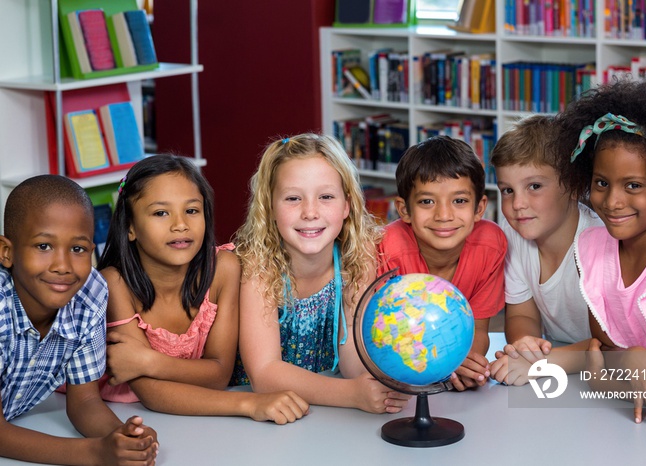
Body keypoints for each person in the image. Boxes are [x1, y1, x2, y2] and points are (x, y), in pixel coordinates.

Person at [98, 155, 308, 425]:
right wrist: (251, 403)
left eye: (192, 210)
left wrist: (148, 361)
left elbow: (219, 373)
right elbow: (150, 392)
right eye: (161, 213)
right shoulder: (115, 284)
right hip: (127, 415)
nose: (180, 224)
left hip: (197, 415)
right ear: (130, 226)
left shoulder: (223, 268)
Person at [553, 80, 646, 427]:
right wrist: (631, 360)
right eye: (602, 183)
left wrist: (607, 380)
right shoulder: (590, 248)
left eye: (633, 185)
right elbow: (601, 349)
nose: (612, 201)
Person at [232, 133, 410, 413]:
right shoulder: (258, 264)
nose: (310, 212)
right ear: (270, 208)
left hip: (322, 411)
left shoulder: (356, 256)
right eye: (293, 198)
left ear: (346, 206)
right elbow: (264, 374)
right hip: (259, 413)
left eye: (326, 196)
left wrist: (376, 383)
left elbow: (353, 348)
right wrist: (352, 394)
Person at [0, 175, 158, 465]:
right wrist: (97, 453)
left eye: (78, 249)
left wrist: (123, 438)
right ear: (6, 252)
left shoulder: (90, 294)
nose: (63, 266)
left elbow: (84, 402)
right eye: (43, 246)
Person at [377, 135, 507, 390]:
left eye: (459, 201)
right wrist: (444, 365)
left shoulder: (490, 246)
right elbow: (377, 336)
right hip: (395, 377)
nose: (444, 215)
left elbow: (478, 330)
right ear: (404, 210)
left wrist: (467, 365)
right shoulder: (387, 250)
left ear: (480, 208)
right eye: (427, 201)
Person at [488, 115, 602, 383]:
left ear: (573, 186)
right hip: (563, 366)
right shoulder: (512, 233)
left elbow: (614, 345)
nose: (518, 204)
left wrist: (541, 365)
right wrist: (526, 349)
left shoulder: (599, 241)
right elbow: (521, 312)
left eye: (534, 186)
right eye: (507, 190)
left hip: (606, 368)